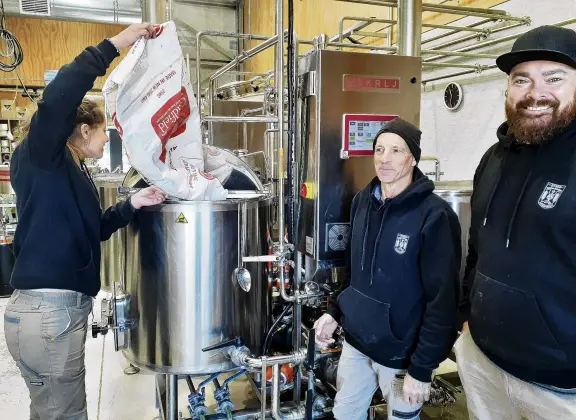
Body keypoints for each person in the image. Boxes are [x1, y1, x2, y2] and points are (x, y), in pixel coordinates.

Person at [3, 24, 166, 420]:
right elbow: (58, 99)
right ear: (84, 129)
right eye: (103, 131)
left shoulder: (67, 171)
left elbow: (89, 230)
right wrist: (115, 45)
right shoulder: (42, 154)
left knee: (49, 412)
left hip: (54, 311)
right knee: (65, 415)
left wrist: (132, 205)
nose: (107, 139)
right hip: (48, 311)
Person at [456, 25, 576, 419]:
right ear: (507, 90)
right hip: (483, 361)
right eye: (521, 79)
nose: (535, 92)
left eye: (554, 78)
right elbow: (478, 248)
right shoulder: (493, 159)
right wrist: (466, 316)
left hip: (559, 388)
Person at [314, 118, 462, 420]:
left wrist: (422, 369)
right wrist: (335, 313)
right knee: (344, 414)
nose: (385, 159)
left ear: (413, 158)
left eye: (396, 150)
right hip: (356, 343)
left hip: (401, 355)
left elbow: (443, 300)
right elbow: (354, 275)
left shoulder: (435, 215)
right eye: (379, 149)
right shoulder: (361, 203)